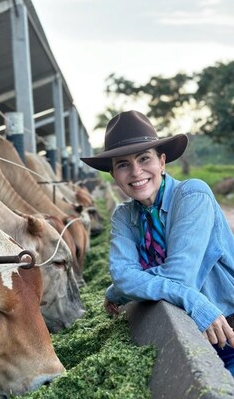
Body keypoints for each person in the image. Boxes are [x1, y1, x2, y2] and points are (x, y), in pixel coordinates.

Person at [81, 109, 234, 375]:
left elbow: (179, 276)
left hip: (228, 329)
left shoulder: (192, 195)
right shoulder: (124, 216)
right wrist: (191, 300)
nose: (136, 171)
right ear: (113, 174)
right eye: (123, 164)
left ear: (162, 162)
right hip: (191, 326)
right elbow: (124, 275)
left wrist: (118, 291)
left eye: (144, 159)